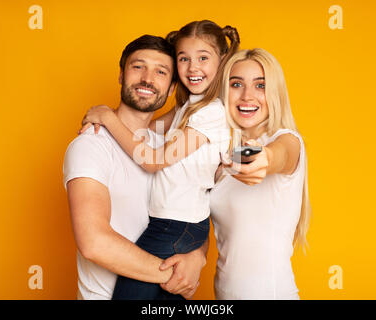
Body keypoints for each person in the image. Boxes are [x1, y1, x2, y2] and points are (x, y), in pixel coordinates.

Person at [78, 20, 240, 300]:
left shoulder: (210, 113)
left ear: (222, 61)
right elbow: (147, 130)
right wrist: (107, 124)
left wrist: (106, 116)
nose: (193, 67)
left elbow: (153, 161)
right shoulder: (188, 106)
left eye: (203, 58)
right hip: (177, 224)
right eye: (184, 59)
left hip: (175, 224)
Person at [63, 35, 207, 300]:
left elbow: (194, 213)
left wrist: (198, 256)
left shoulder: (167, 149)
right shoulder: (91, 146)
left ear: (172, 87)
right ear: (121, 75)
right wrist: (174, 275)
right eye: (138, 66)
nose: (147, 79)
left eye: (161, 72)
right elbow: (94, 242)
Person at [209, 48, 312, 300]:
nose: (247, 96)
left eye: (260, 85)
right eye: (236, 84)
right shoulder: (220, 154)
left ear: (275, 93)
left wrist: (264, 157)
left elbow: (280, 154)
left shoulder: (287, 140)